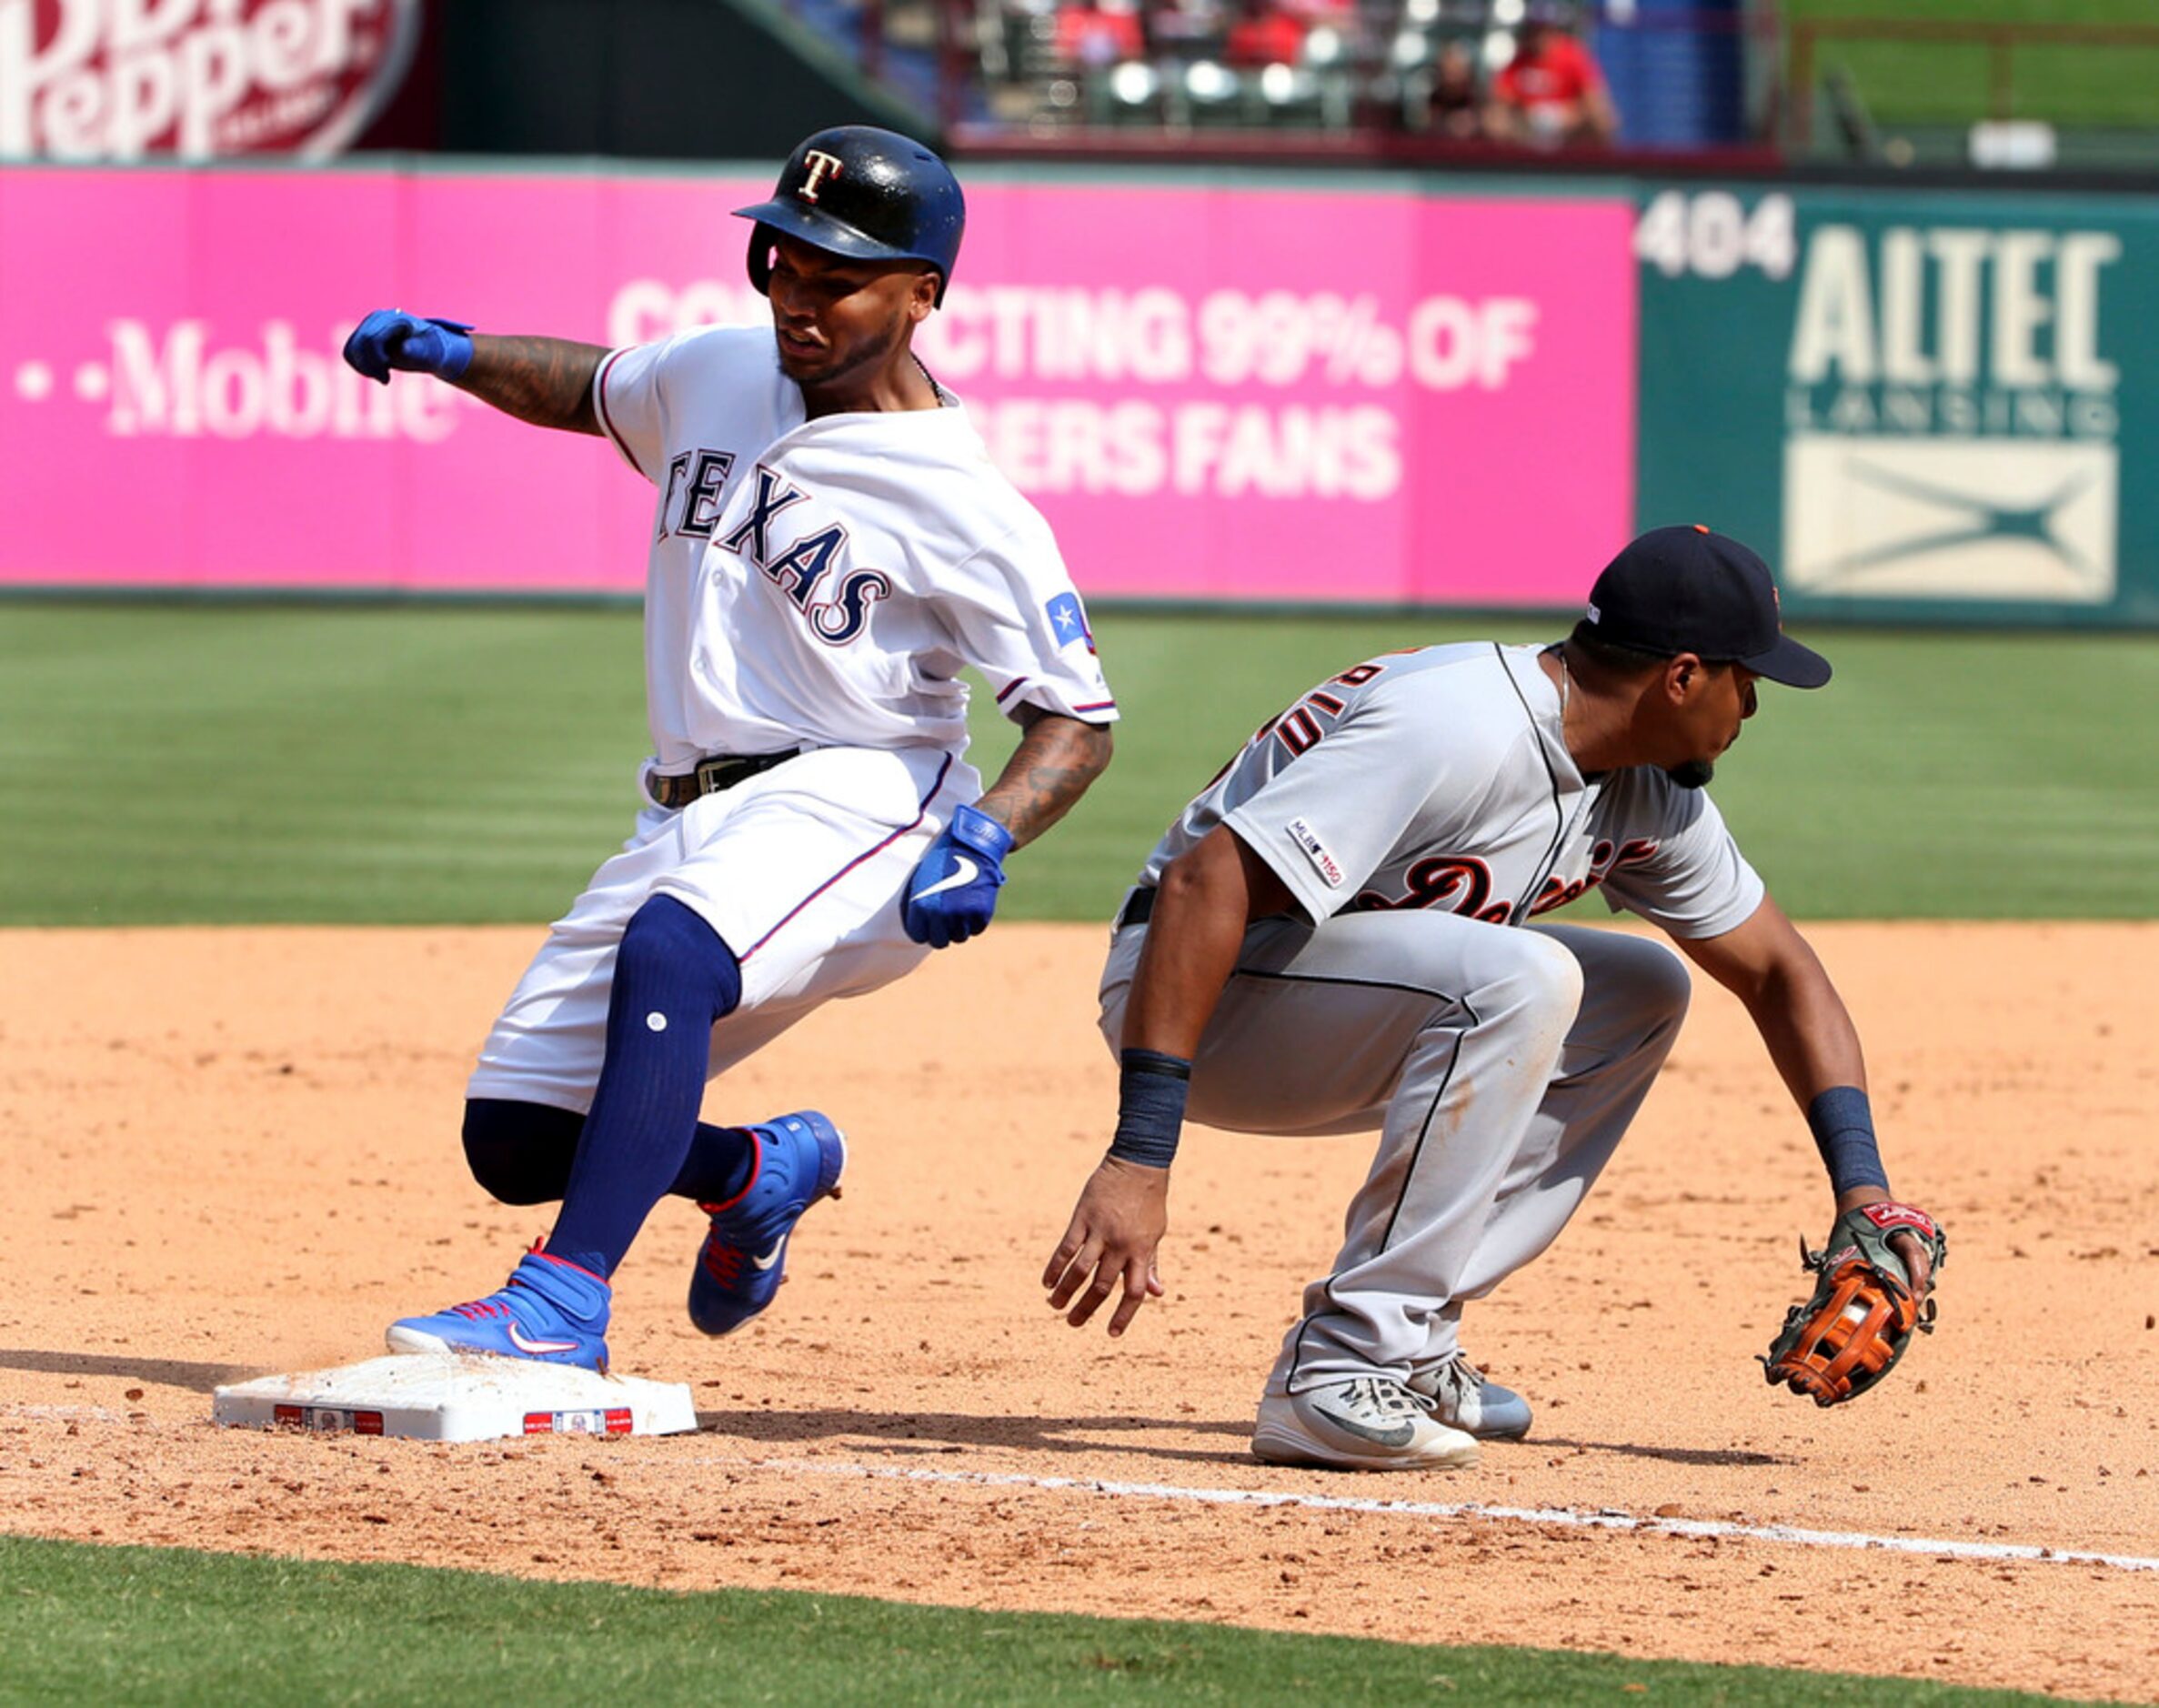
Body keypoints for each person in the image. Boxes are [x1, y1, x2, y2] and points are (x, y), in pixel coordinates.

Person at [340, 126, 1117, 1372]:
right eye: (783, 262)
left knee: (674, 947)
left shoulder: (964, 499)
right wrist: (456, 353)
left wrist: (986, 835)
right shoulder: (716, 370)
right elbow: (593, 387)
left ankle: (562, 1301)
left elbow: (1076, 716)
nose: (796, 300)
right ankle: (758, 1168)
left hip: (866, 789)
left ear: (923, 295)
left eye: (837, 277)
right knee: (520, 1137)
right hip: (685, 807)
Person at [1041, 526, 1937, 1471]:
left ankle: (1412, 1336)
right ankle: (1339, 1366)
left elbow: (1780, 971)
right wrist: (1139, 1154)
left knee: (1638, 988)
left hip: (1327, 1005)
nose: (1751, 706)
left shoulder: (1648, 793)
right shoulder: (1460, 723)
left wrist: (1862, 1191)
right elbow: (1200, 887)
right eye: (1744, 679)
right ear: (1681, 677)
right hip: (1191, 994)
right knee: (1523, 975)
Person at [1484, 2, 1618, 148]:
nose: (1539, 36)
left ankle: (1593, 167)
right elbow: (1498, 106)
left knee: (1602, 121)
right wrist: (1526, 119)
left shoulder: (1573, 56)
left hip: (1568, 131)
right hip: (1526, 132)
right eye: (1534, 30)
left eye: (1544, 30)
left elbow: (1597, 105)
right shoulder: (1517, 62)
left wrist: (1567, 117)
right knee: (1494, 123)